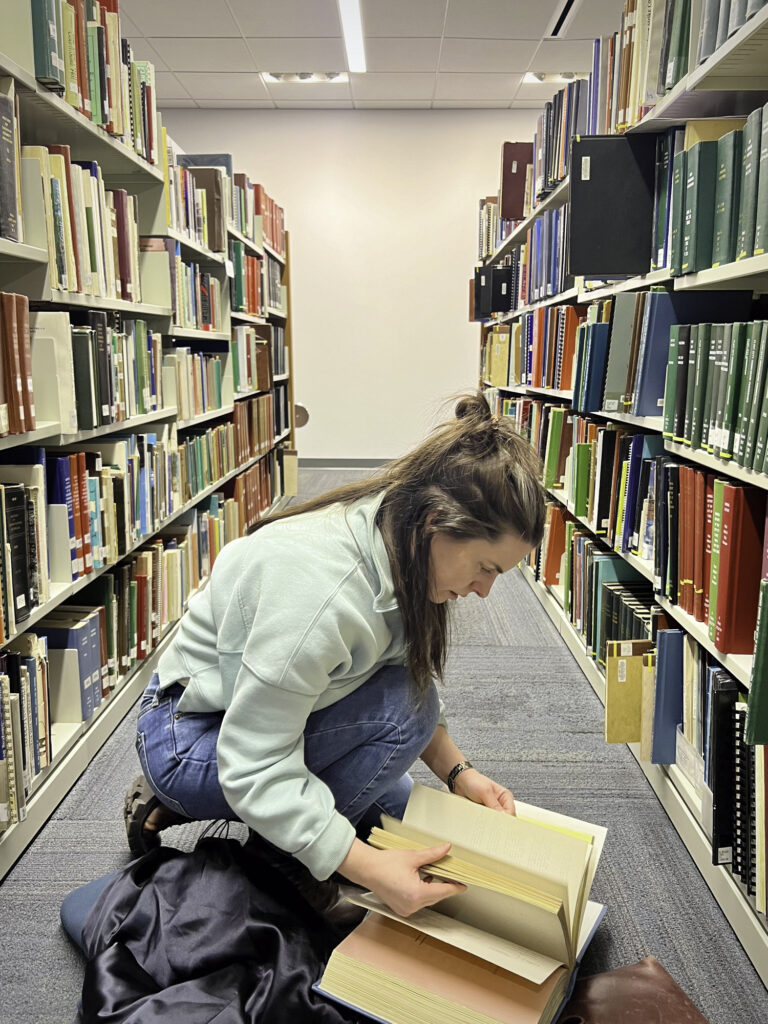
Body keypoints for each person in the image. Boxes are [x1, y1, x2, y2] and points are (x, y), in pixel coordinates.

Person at [122, 391, 545, 923]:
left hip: (257, 711)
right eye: (486, 568)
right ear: (438, 520)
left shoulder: (401, 531)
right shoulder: (320, 596)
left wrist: (461, 774)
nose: (484, 590)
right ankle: (258, 849)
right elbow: (254, 764)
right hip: (193, 734)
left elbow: (395, 670)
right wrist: (367, 868)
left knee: (402, 806)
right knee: (397, 740)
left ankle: (277, 828)